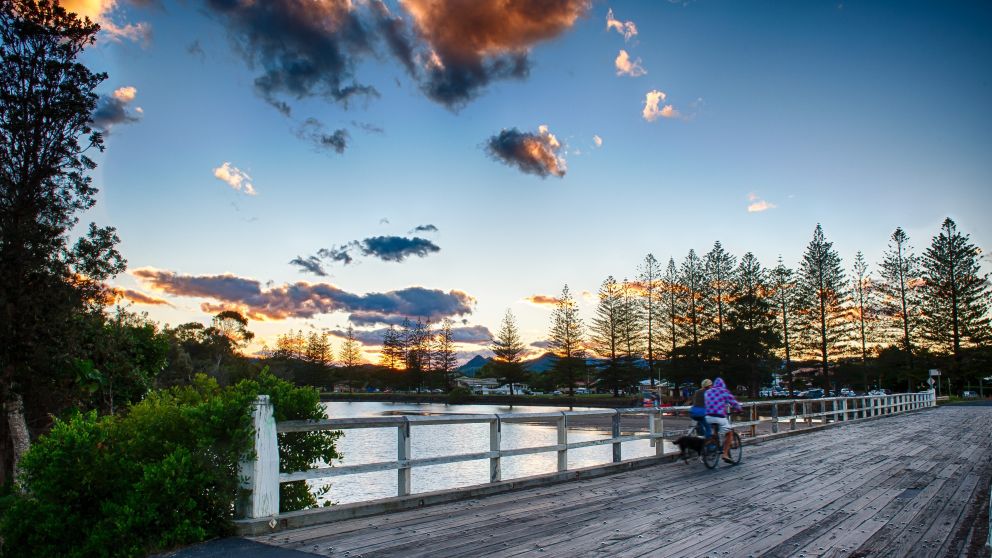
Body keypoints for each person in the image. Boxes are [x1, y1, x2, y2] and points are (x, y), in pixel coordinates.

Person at [704, 377, 743, 463]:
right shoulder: (724, 391)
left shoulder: (708, 392)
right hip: (719, 417)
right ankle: (725, 454)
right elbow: (733, 402)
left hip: (707, 417)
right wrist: (739, 409)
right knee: (729, 433)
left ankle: (713, 443)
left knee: (715, 432)